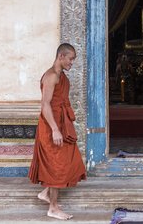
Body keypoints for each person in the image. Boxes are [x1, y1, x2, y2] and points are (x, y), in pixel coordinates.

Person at [28, 43, 86, 220]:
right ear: (61, 56)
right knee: (57, 165)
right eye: (70, 59)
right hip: (51, 126)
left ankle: (46, 193)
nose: (71, 63)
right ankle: (53, 208)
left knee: (70, 160)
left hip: (61, 123)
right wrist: (54, 130)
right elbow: (45, 105)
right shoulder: (51, 76)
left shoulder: (61, 76)